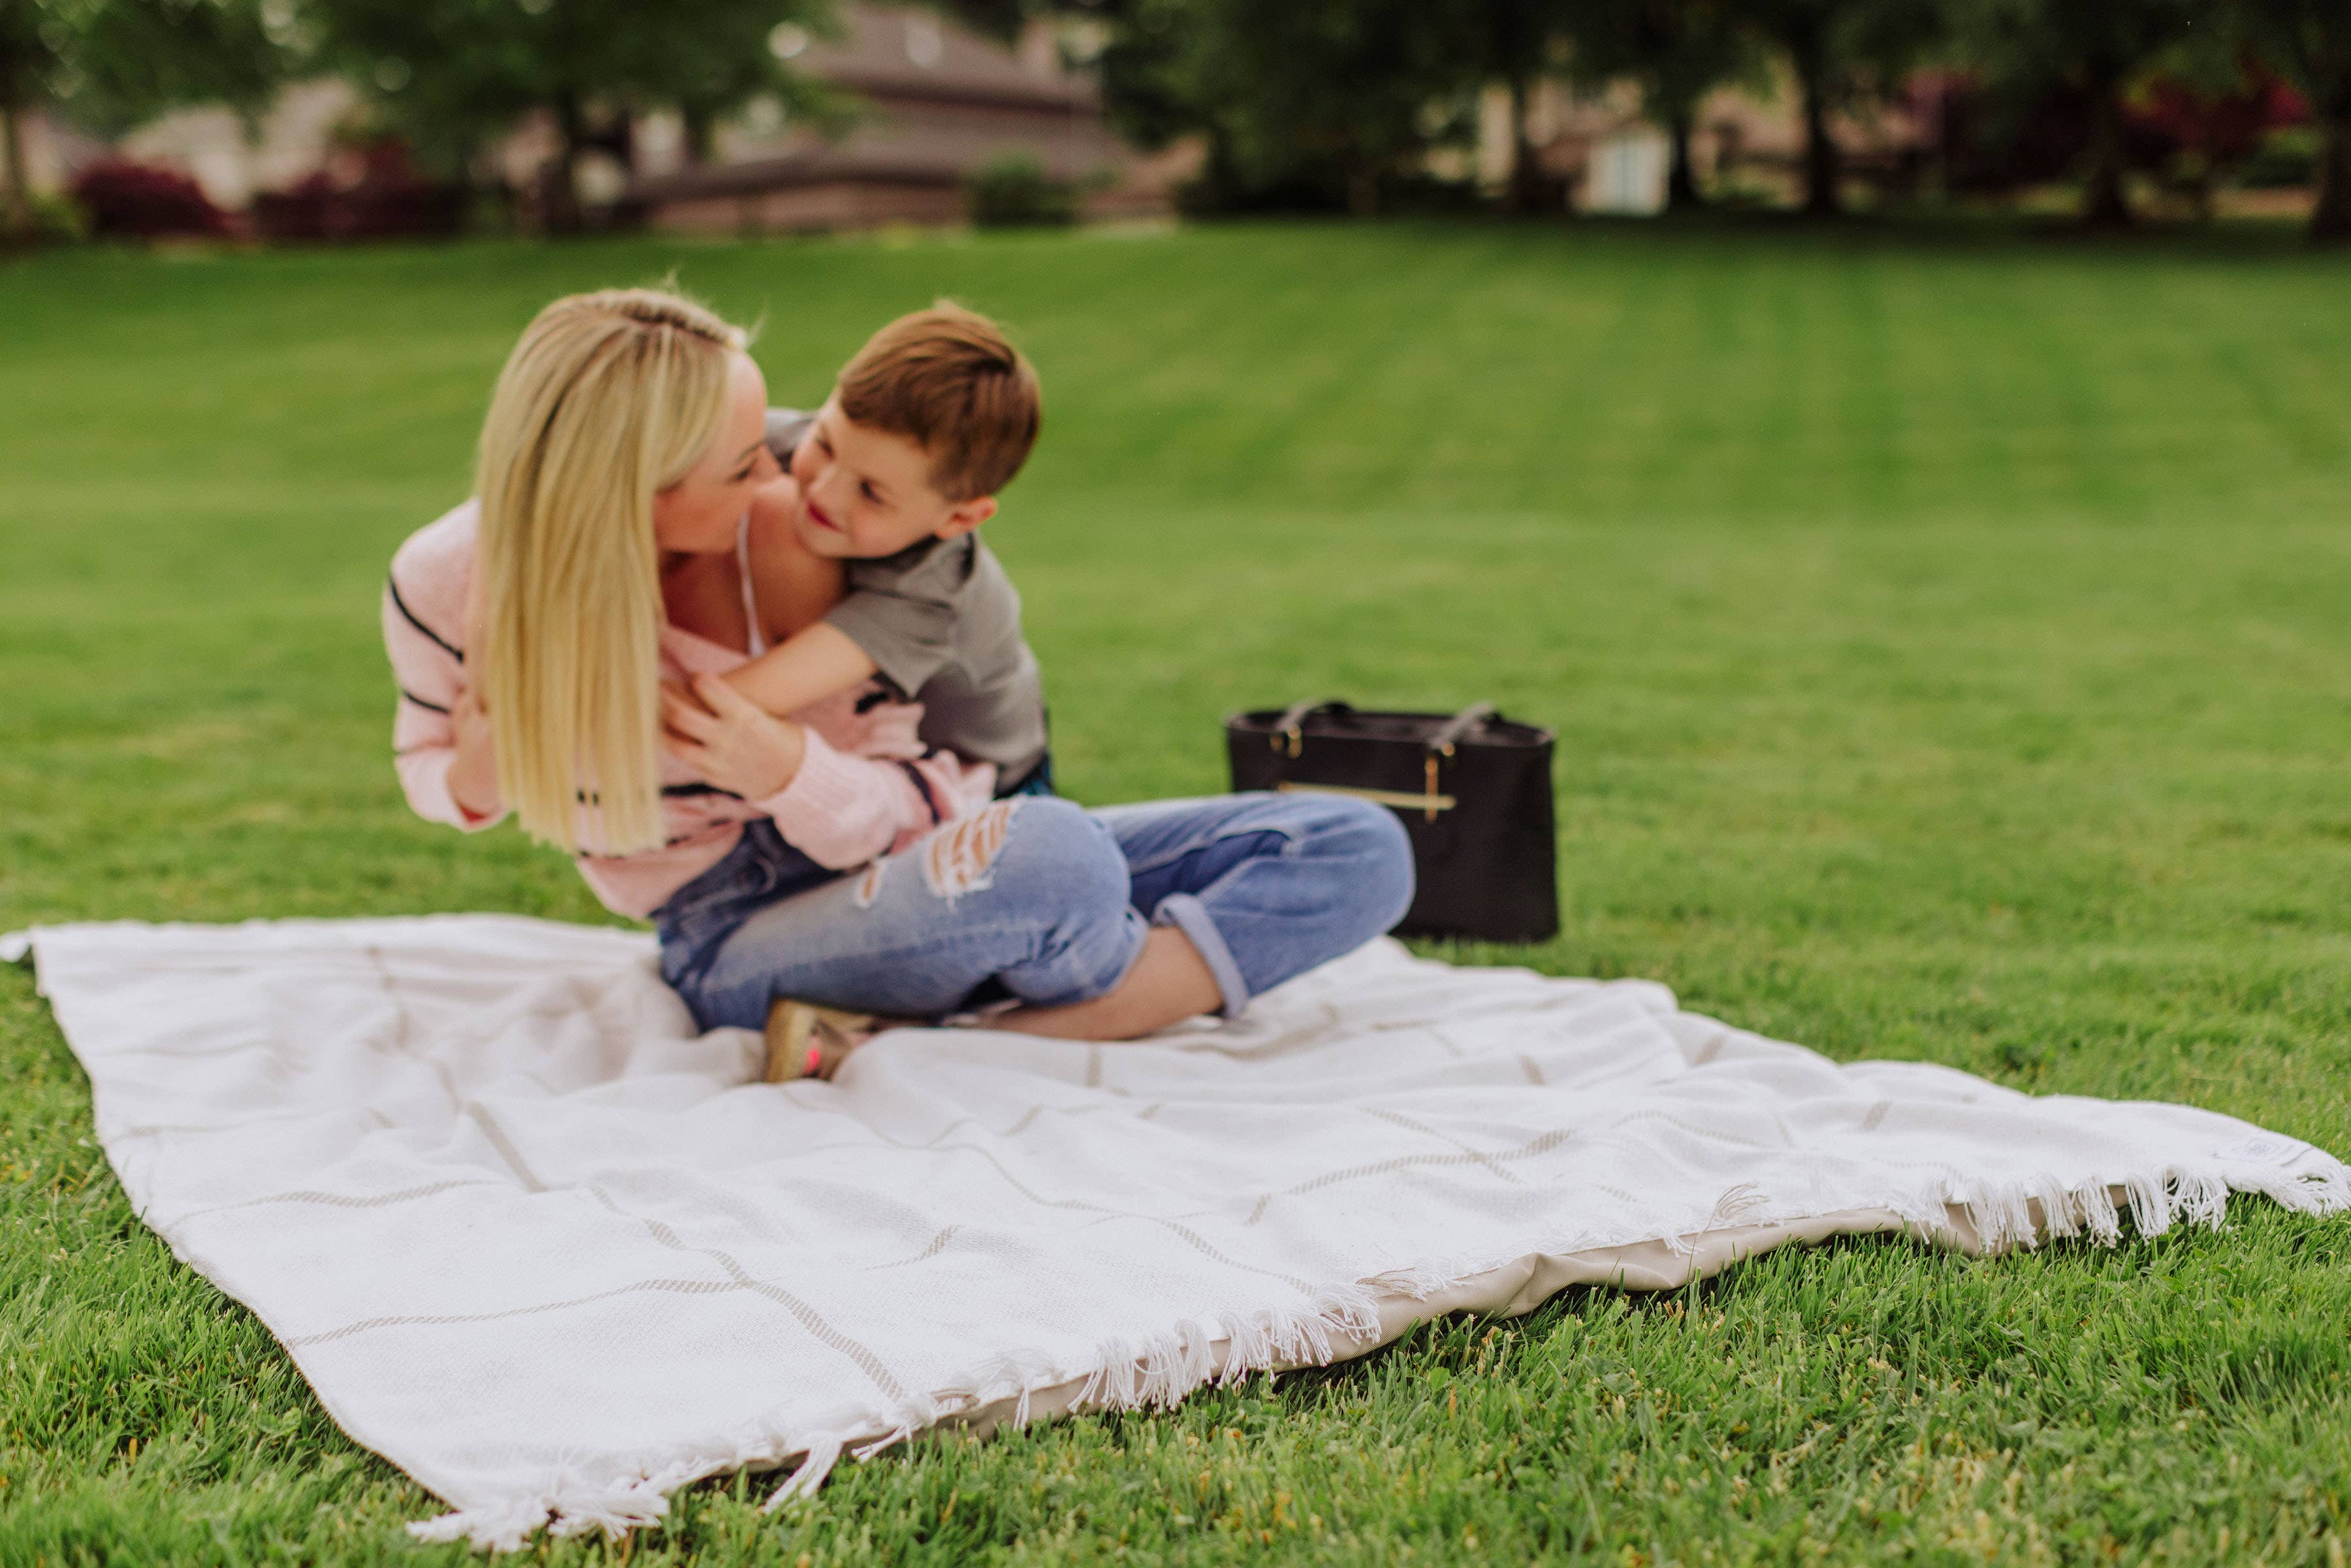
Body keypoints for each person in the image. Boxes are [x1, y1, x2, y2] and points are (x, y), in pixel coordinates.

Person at [383, 286, 1414, 1080]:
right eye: (753, 460)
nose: (788, 480)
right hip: (731, 933)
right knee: (1058, 863)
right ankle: (1033, 973)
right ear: (639, 482)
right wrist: (484, 762)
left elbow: (893, 799)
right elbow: (435, 779)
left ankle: (972, 1030)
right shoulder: (447, 582)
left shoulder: (792, 541)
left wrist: (789, 768)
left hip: (913, 849)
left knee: (1356, 843)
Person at [720, 302, 1053, 799]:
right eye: (827, 444)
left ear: (959, 519)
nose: (825, 492)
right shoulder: (800, 444)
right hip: (887, 757)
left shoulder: (929, 594)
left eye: (872, 493)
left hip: (992, 778)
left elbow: (738, 701)